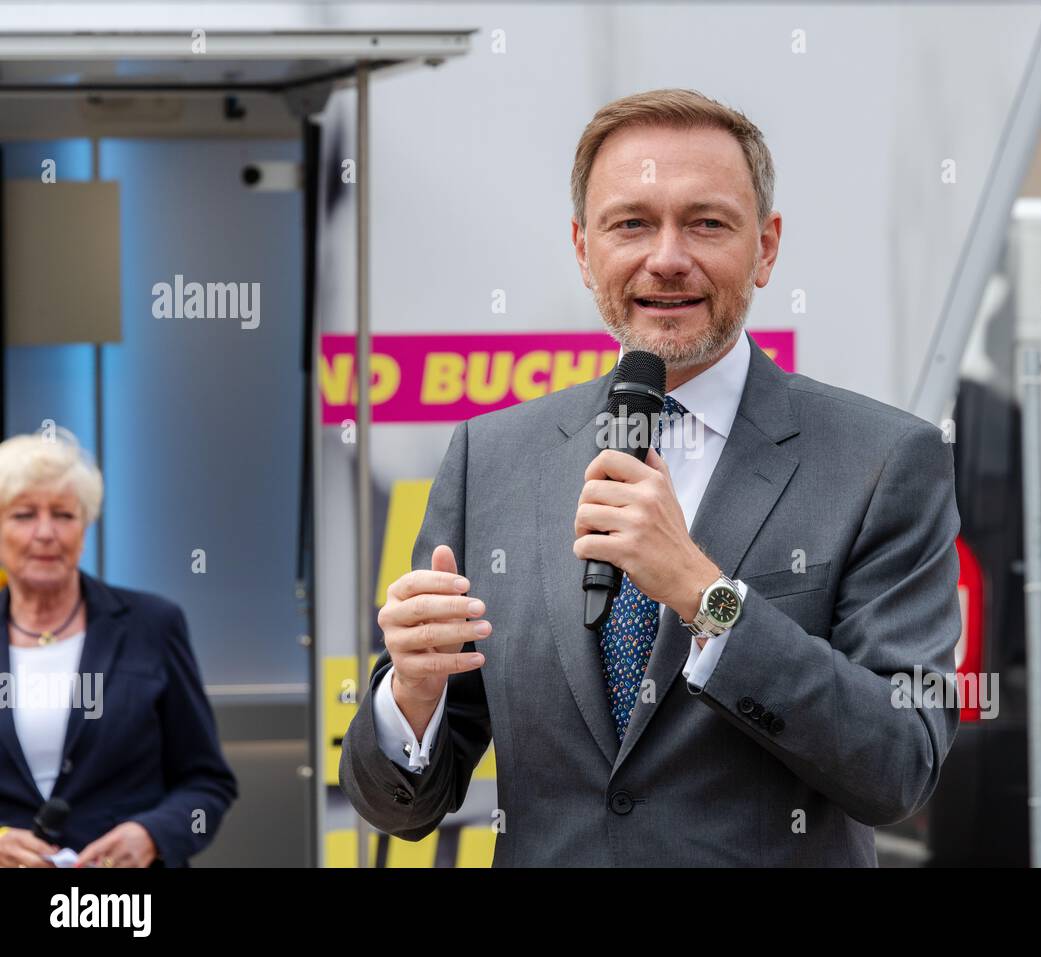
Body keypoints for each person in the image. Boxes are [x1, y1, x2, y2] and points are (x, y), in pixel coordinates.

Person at [340, 88, 962, 866]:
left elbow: (901, 764)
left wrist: (710, 599)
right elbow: (399, 807)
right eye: (631, 223)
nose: (667, 258)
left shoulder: (882, 461)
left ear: (766, 247)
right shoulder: (491, 458)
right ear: (582, 247)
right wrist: (412, 695)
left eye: (706, 223)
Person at [0, 431, 236, 867]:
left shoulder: (153, 624)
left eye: (65, 515)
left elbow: (207, 782)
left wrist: (153, 835)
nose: (46, 532)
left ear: (85, 528)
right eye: (24, 515)